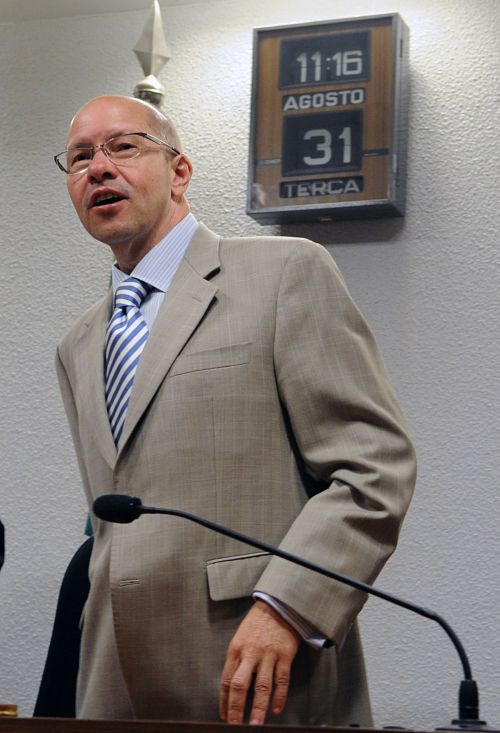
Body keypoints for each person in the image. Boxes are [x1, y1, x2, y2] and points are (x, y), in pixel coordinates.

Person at [54, 94, 416, 725]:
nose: (99, 167)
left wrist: (288, 607)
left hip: (257, 669)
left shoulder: (283, 272)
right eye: (80, 157)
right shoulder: (79, 344)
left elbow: (373, 470)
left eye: (124, 147)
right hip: (113, 685)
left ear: (180, 172)